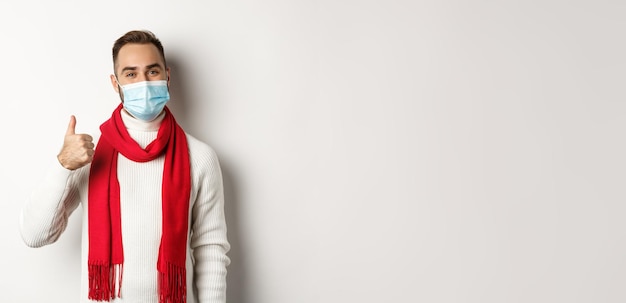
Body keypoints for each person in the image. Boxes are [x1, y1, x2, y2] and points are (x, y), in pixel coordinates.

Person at [19, 30, 230, 303]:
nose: (143, 82)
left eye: (152, 72)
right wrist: (63, 167)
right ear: (115, 82)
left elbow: (210, 250)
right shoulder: (86, 155)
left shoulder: (199, 157)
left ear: (167, 76)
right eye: (130, 74)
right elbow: (35, 236)